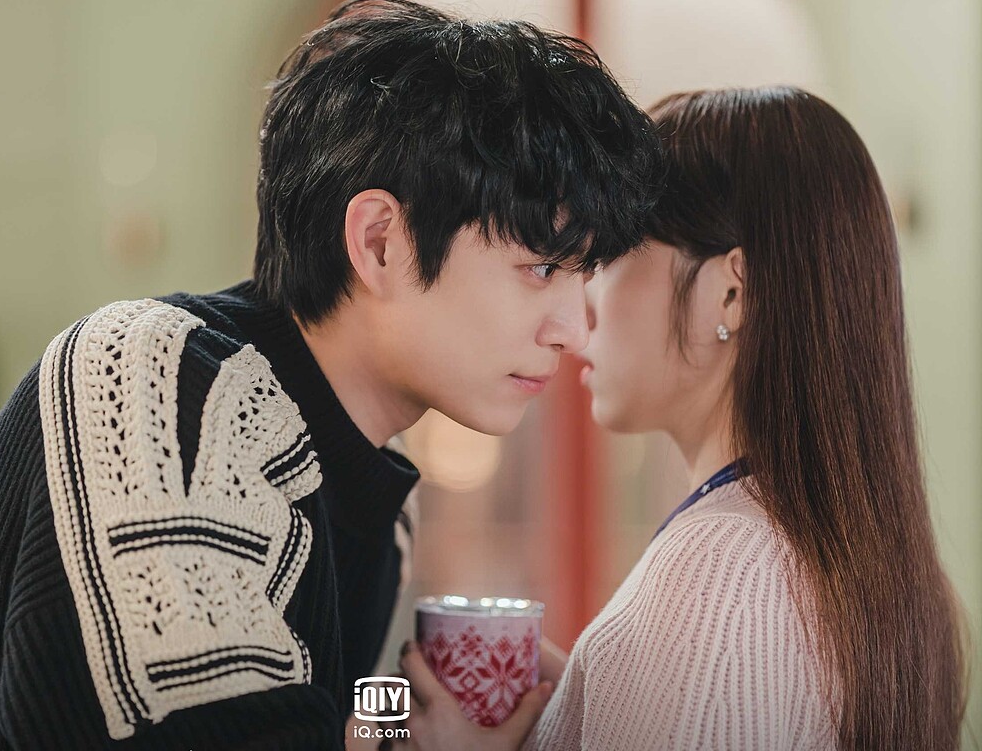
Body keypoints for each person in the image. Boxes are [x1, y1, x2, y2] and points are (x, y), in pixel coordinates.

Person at [0, 0, 662, 750]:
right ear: (380, 241)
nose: (573, 329)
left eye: (583, 275)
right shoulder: (159, 376)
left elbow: (327, 719)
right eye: (541, 268)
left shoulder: (371, 493)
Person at [394, 86, 967, 751]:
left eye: (608, 258)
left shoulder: (719, 569)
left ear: (730, 292)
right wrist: (591, 692)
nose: (579, 311)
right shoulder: (875, 573)